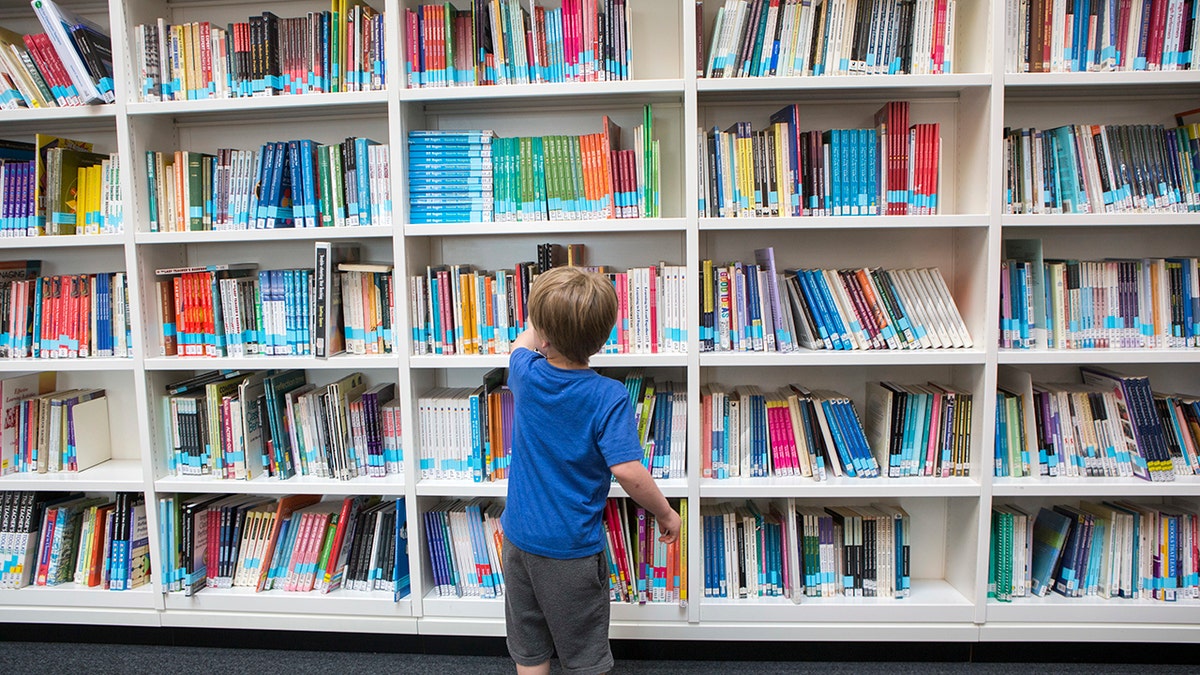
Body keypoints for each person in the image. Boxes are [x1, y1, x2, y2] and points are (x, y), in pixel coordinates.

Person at [501, 266, 681, 675]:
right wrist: (666, 513)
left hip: (519, 540)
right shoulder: (608, 396)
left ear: (544, 336)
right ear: (604, 337)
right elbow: (629, 472)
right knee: (583, 650)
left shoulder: (524, 374)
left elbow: (522, 341)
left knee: (529, 643)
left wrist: (540, 317)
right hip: (571, 551)